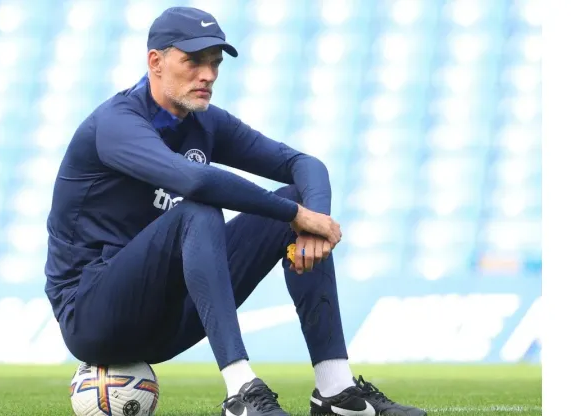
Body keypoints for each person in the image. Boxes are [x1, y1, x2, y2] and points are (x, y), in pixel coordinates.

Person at [45, 6, 426, 416]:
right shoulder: (116, 122)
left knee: (291, 197)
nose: (207, 74)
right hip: (91, 316)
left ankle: (335, 393)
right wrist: (296, 215)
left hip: (166, 317)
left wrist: (310, 221)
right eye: (193, 61)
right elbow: (195, 182)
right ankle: (241, 393)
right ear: (155, 61)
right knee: (203, 210)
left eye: (214, 63)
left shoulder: (205, 122)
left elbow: (305, 165)